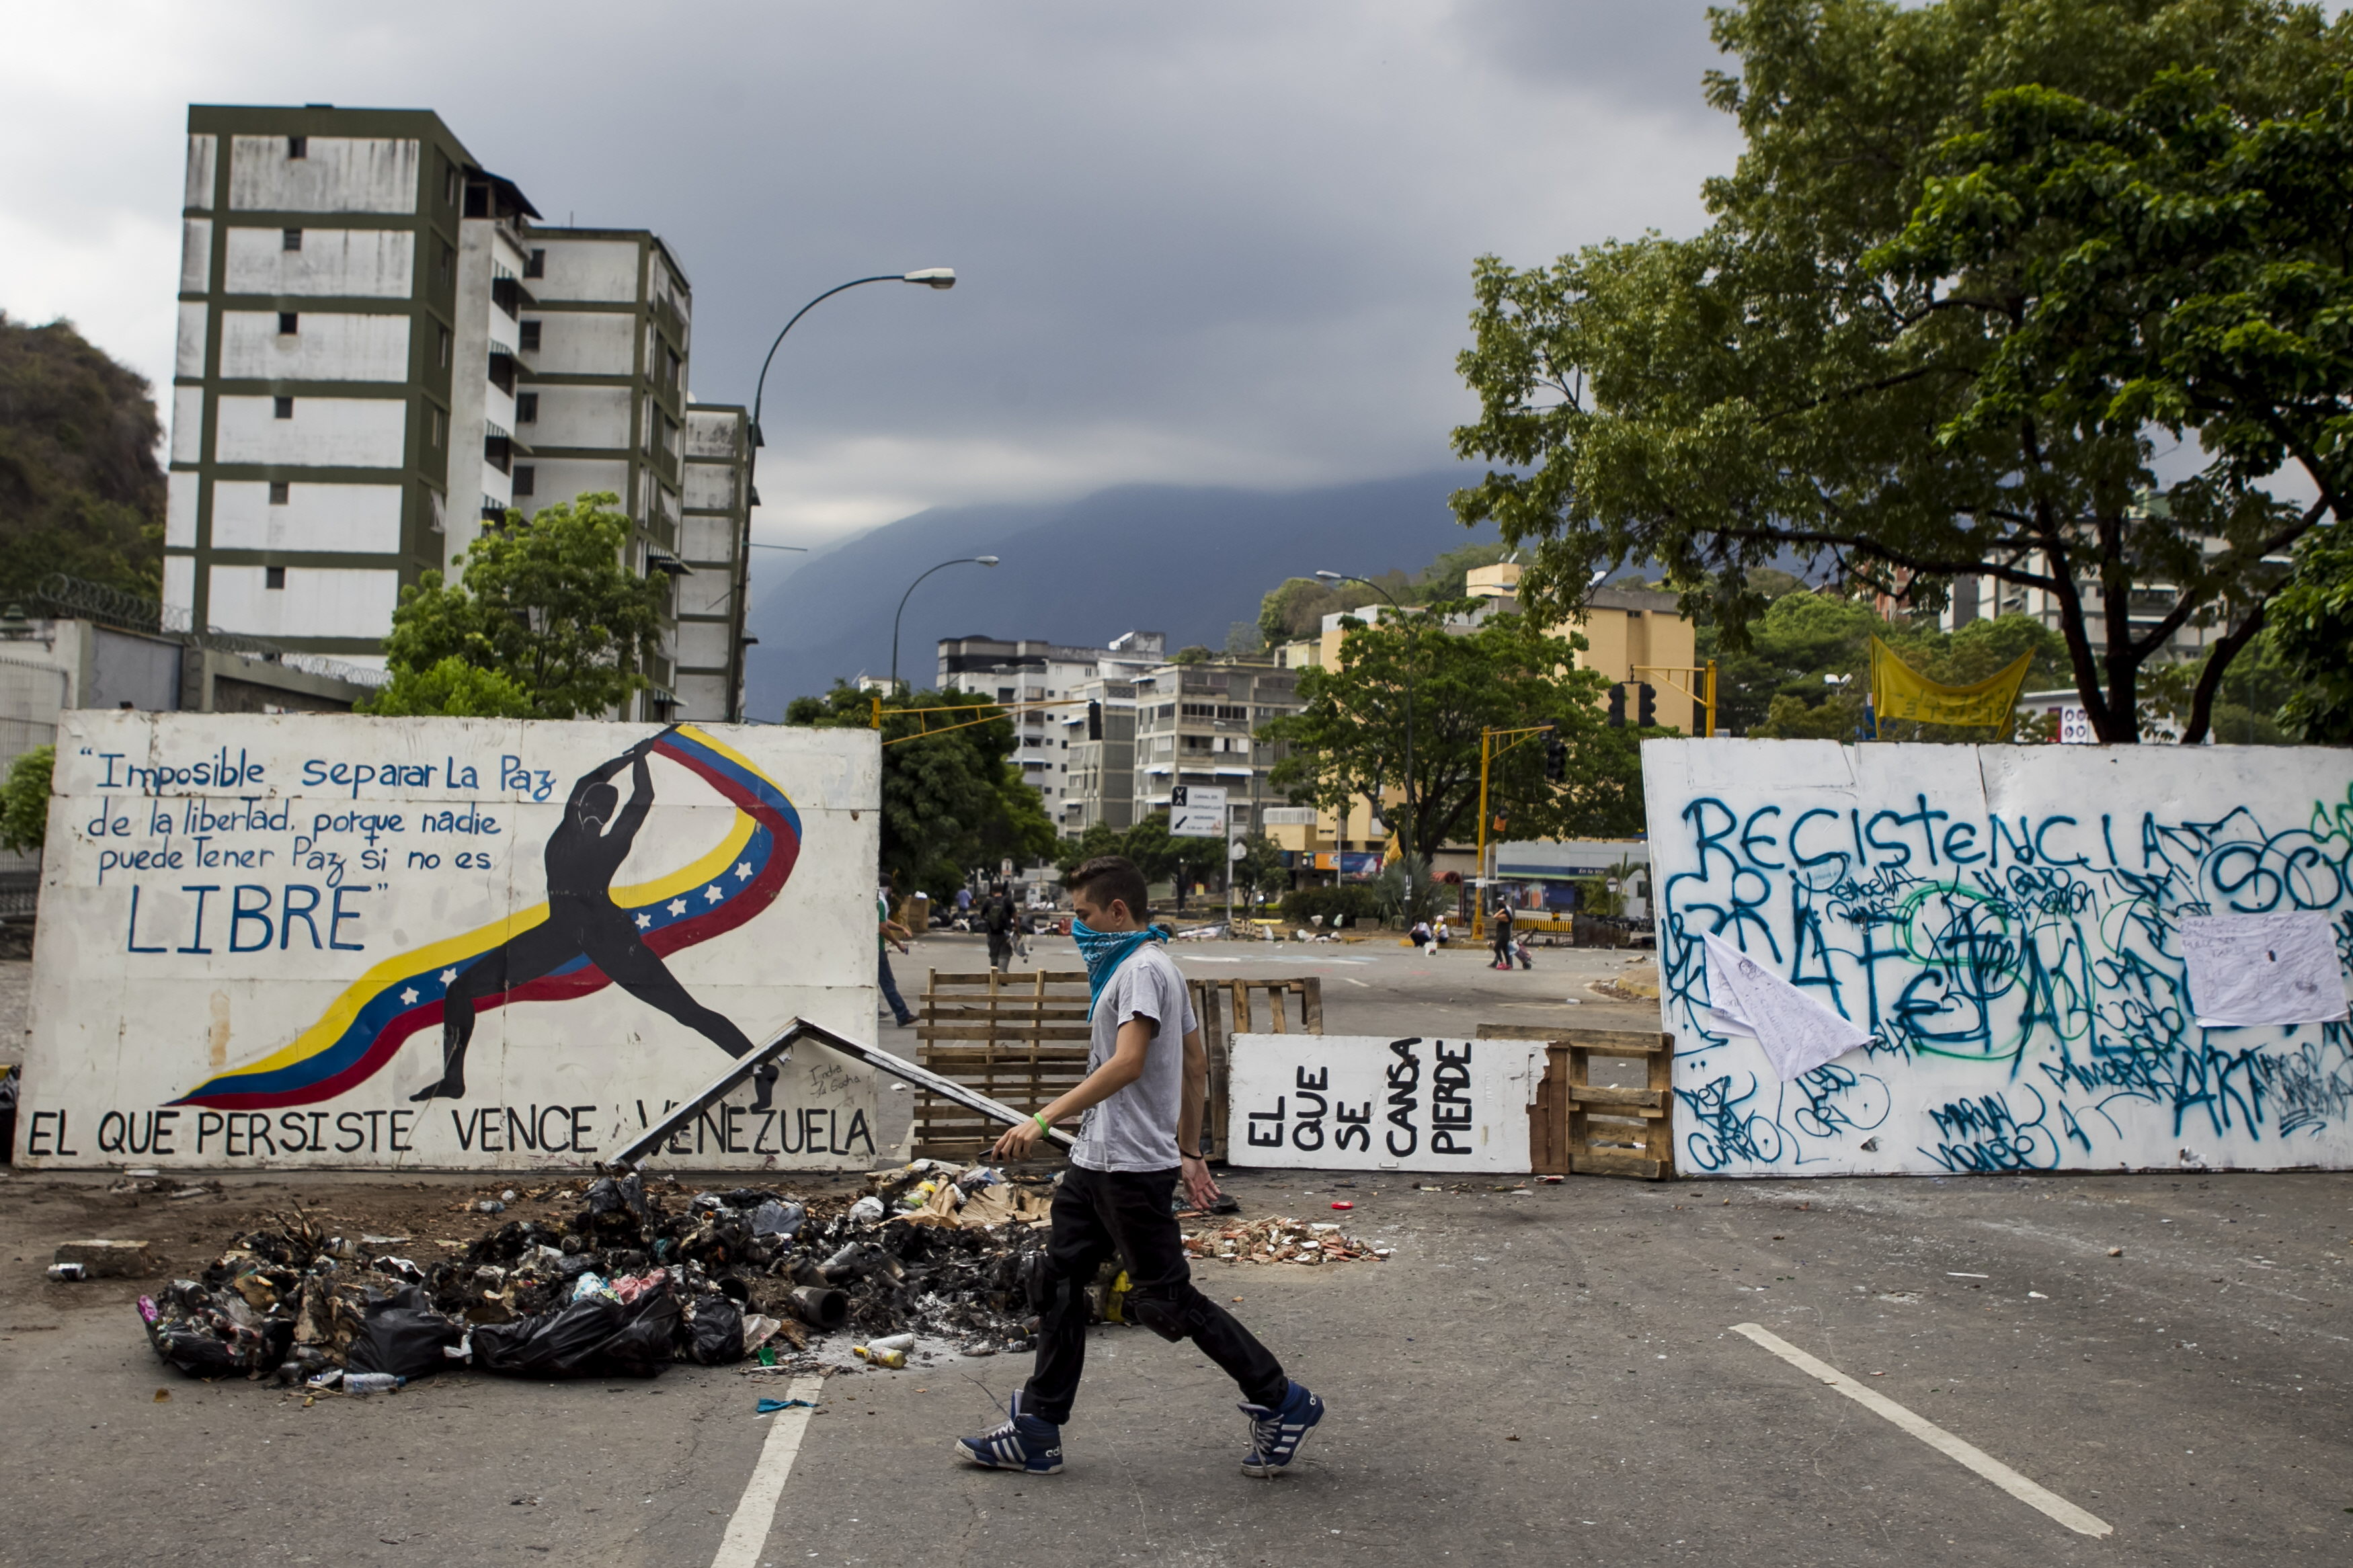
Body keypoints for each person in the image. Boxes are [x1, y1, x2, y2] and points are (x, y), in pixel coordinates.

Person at [956, 855, 1321, 1479]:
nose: (1078, 927)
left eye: (1085, 914)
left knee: (1166, 1300)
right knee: (1061, 1285)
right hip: (1096, 1162)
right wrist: (1190, 1150)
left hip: (1128, 1171)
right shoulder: (1138, 966)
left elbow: (1128, 1063)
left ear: (1118, 912)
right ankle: (1038, 1429)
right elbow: (1196, 1066)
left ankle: (1281, 1399)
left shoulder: (1145, 969)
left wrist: (1042, 1120)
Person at [411, 732, 767, 1104]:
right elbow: (635, 797)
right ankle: (453, 1080)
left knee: (685, 1010)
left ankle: (760, 1065)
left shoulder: (572, 835)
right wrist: (638, 760)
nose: (592, 810)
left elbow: (609, 788)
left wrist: (634, 759)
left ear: (585, 808)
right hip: (564, 933)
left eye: (595, 805)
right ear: (590, 809)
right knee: (460, 989)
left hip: (605, 935)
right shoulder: (598, 839)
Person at [879, 886, 916, 1028]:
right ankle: (903, 1015)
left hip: (869, 950)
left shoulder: (872, 899)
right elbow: (882, 927)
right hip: (877, 949)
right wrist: (898, 944)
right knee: (888, 983)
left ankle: (874, 1009)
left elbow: (885, 922)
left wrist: (901, 928)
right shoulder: (880, 901)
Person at [983, 882, 1017, 971]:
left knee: (994, 955)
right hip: (1006, 933)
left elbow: (982, 916)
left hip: (992, 933)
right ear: (1002, 890)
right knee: (1005, 954)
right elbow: (1016, 919)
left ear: (992, 891)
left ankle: (994, 976)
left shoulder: (988, 901)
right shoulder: (1008, 901)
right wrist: (1018, 931)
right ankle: (1002, 975)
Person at [1490, 899, 1516, 970]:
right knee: (1505, 950)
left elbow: (1495, 917)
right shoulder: (1506, 915)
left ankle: (1502, 963)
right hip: (1505, 935)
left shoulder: (1505, 915)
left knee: (1496, 948)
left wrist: (1502, 910)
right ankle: (1508, 965)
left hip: (1503, 935)